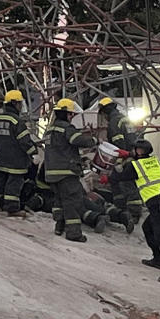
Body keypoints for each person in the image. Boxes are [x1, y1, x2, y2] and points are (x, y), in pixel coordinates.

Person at [111, 139, 160, 281]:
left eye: (135, 149)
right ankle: (157, 259)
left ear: (139, 151)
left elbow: (120, 176)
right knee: (147, 228)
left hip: (155, 202)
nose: (133, 151)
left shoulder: (135, 166)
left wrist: (118, 162)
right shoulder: (153, 160)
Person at [42, 99, 98, 243]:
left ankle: (59, 226)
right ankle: (73, 233)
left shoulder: (50, 130)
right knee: (72, 202)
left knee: (59, 201)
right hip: (66, 172)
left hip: (51, 172)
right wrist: (93, 140)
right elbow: (76, 140)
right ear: (67, 114)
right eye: (71, 115)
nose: (72, 117)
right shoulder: (67, 128)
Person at [0, 90, 37, 216]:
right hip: (16, 159)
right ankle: (11, 207)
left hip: (1, 157)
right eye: (19, 103)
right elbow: (25, 142)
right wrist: (34, 152)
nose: (20, 106)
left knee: (1, 179)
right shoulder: (17, 122)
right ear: (14, 103)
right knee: (14, 182)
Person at [98, 96, 137, 231]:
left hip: (124, 157)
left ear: (105, 111)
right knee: (128, 183)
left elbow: (117, 143)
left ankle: (129, 212)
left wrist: (118, 160)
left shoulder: (114, 122)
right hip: (133, 154)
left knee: (122, 183)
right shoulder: (124, 118)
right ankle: (130, 210)